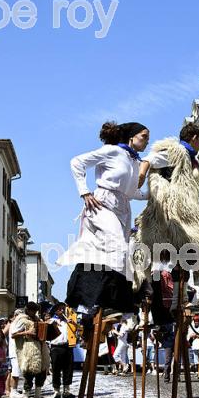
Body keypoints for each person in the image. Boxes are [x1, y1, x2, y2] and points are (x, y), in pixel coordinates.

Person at [57, 121, 150, 322]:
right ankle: (101, 302)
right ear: (131, 137)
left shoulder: (135, 161)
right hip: (102, 205)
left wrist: (155, 195)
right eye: (144, 136)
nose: (146, 141)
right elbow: (77, 162)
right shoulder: (113, 151)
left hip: (123, 208)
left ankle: (110, 303)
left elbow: (133, 192)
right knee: (118, 248)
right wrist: (84, 191)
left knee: (118, 255)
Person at [133, 123, 199, 309]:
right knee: (176, 254)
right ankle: (174, 300)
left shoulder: (193, 160)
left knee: (187, 253)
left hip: (187, 210)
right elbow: (149, 160)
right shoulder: (176, 151)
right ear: (194, 138)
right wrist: (141, 176)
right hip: (170, 210)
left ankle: (182, 298)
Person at [11, 302, 50, 398]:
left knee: (42, 371)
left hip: (41, 347)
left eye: (35, 310)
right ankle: (25, 397)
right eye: (32, 310)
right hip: (29, 348)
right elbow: (13, 334)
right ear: (27, 309)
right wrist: (27, 333)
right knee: (29, 373)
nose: (34, 312)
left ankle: (38, 396)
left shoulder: (38, 320)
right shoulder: (21, 320)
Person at [48, 303, 76, 398]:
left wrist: (73, 324)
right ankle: (56, 391)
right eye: (59, 309)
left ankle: (66, 390)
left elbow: (76, 330)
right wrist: (53, 323)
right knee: (56, 369)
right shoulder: (51, 321)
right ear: (55, 311)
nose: (62, 311)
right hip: (56, 347)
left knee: (68, 369)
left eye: (63, 309)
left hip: (67, 346)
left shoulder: (68, 321)